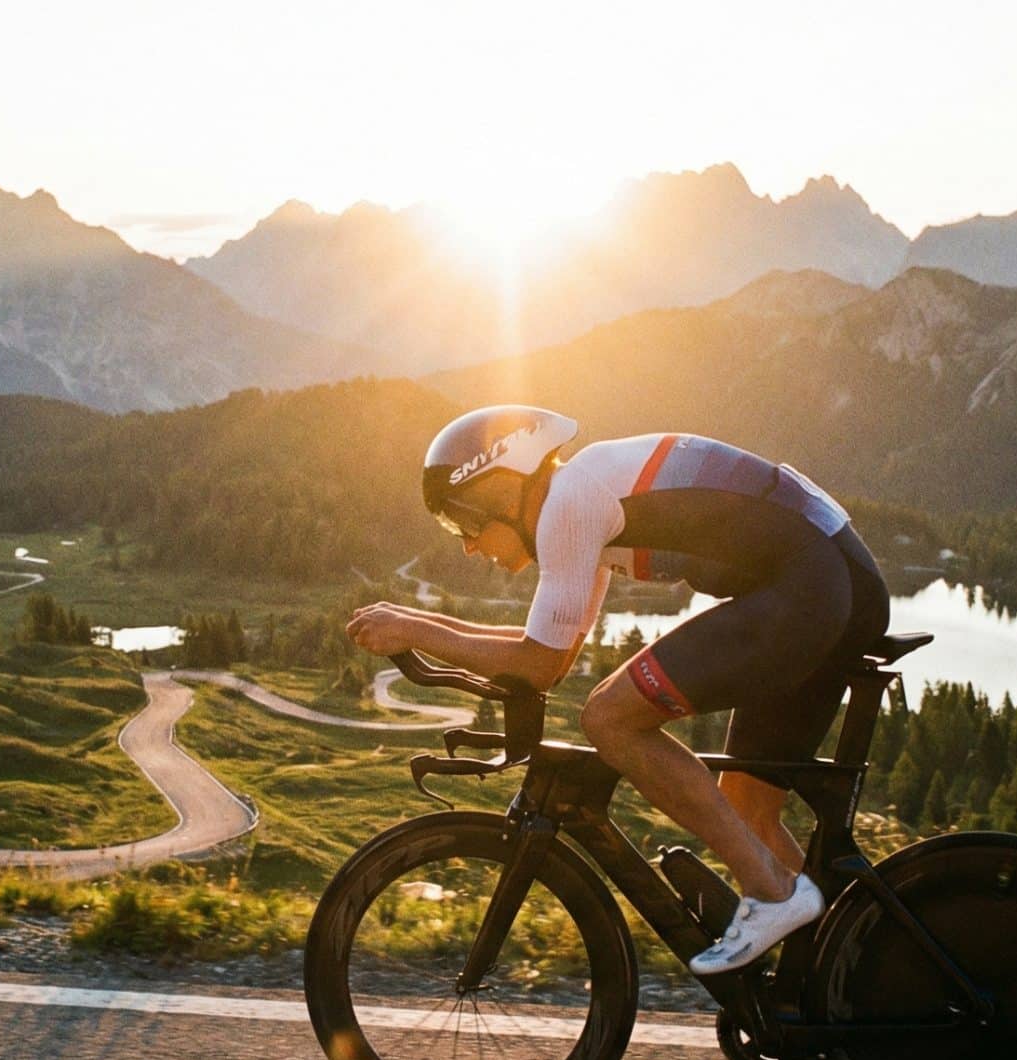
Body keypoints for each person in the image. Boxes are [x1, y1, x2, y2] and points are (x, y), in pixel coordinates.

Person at [347, 405, 889, 975]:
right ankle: (845, 979)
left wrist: (417, 629)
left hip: (812, 582)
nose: (466, 545)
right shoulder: (587, 501)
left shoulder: (571, 502)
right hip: (831, 578)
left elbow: (537, 665)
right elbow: (550, 657)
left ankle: (773, 892)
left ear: (499, 491)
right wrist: (422, 628)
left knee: (608, 718)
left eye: (463, 523)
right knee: (747, 807)